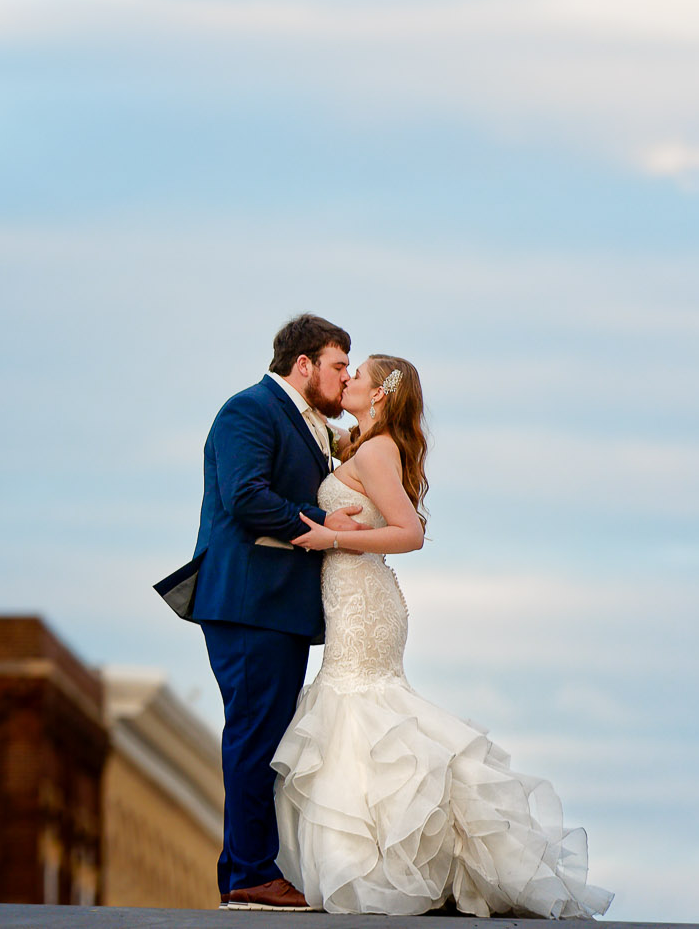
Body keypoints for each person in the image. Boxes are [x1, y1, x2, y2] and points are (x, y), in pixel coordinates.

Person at [274, 355, 611, 917]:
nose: (347, 379)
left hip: (364, 600)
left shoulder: (378, 450)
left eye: (356, 375)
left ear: (380, 393)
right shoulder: (363, 444)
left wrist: (332, 541)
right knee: (356, 715)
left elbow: (409, 534)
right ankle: (375, 859)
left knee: (359, 712)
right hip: (352, 595)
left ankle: (377, 866)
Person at [183, 313, 366, 910]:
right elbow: (244, 495)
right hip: (247, 603)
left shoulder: (309, 424)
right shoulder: (250, 409)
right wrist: (321, 524)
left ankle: (245, 870)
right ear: (304, 364)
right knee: (255, 737)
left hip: (276, 608)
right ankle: (252, 874)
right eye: (339, 365)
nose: (344, 378)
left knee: (265, 736)